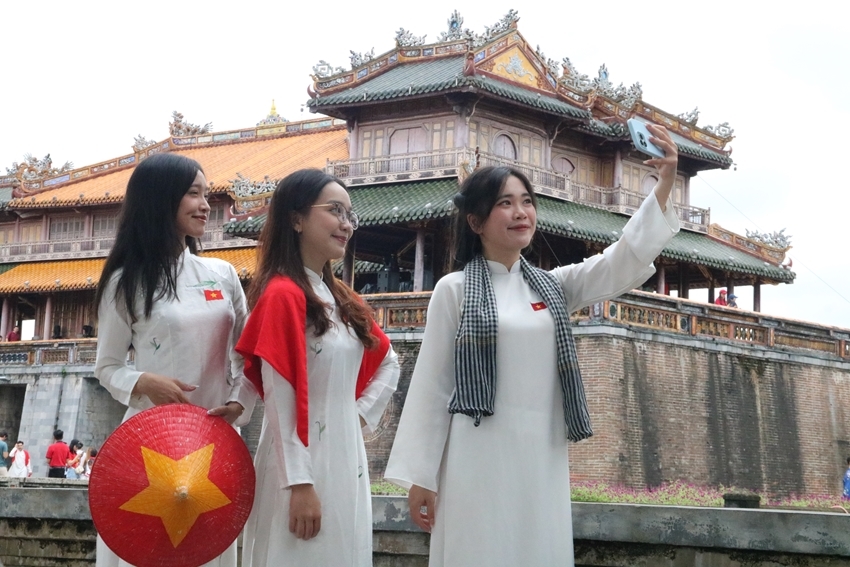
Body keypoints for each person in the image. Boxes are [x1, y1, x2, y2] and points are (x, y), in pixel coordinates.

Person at [384, 124, 680, 567]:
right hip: (474, 456)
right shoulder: (455, 289)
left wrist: (665, 183)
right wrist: (421, 478)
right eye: (505, 203)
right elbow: (433, 386)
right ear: (476, 221)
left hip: (540, 453)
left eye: (526, 201)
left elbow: (621, 260)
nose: (521, 212)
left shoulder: (554, 287)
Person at [94, 152, 257, 567]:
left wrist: (241, 403)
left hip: (216, 440)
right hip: (151, 445)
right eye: (193, 193)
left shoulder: (220, 274)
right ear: (160, 199)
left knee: (208, 550)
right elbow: (108, 366)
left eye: (206, 194)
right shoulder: (126, 281)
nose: (205, 204)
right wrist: (145, 381)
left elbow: (249, 354)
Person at [237, 169, 400, 567]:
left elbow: (389, 363)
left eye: (350, 214)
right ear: (296, 219)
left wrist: (351, 419)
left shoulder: (342, 299)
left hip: (345, 457)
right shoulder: (282, 295)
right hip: (299, 468)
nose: (346, 223)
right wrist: (299, 482)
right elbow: (280, 396)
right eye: (334, 211)